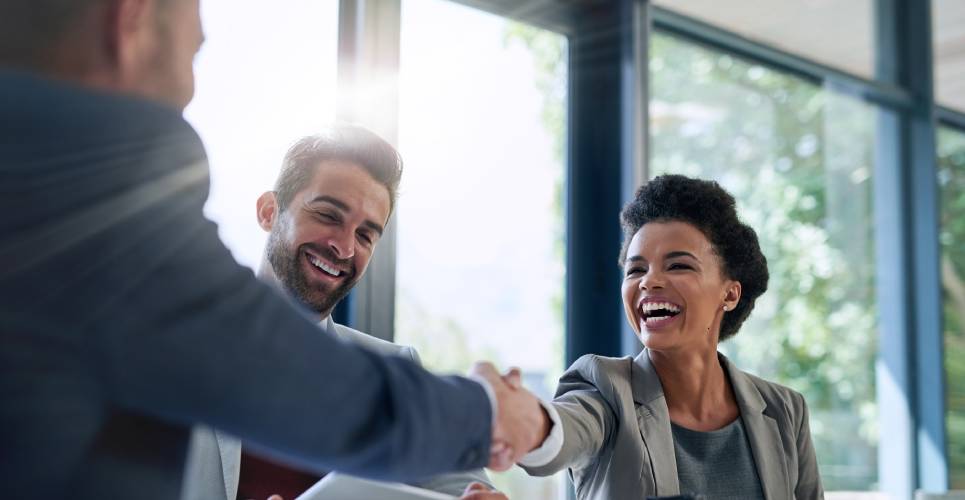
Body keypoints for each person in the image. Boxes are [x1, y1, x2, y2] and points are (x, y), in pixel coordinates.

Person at [0, 1, 547, 498]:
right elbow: (297, 383)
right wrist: (489, 412)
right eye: (194, 53)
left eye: (367, 232)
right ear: (132, 20)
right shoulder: (97, 194)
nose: (189, 88)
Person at [182, 129, 504, 500]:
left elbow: (462, 487)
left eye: (366, 235)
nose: (344, 246)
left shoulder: (395, 371)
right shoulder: (176, 346)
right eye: (328, 215)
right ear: (269, 211)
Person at [517, 175, 823, 499]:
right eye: (636, 270)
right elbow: (562, 430)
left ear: (730, 294)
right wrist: (519, 421)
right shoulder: (605, 390)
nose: (649, 282)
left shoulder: (785, 410)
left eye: (678, 265)